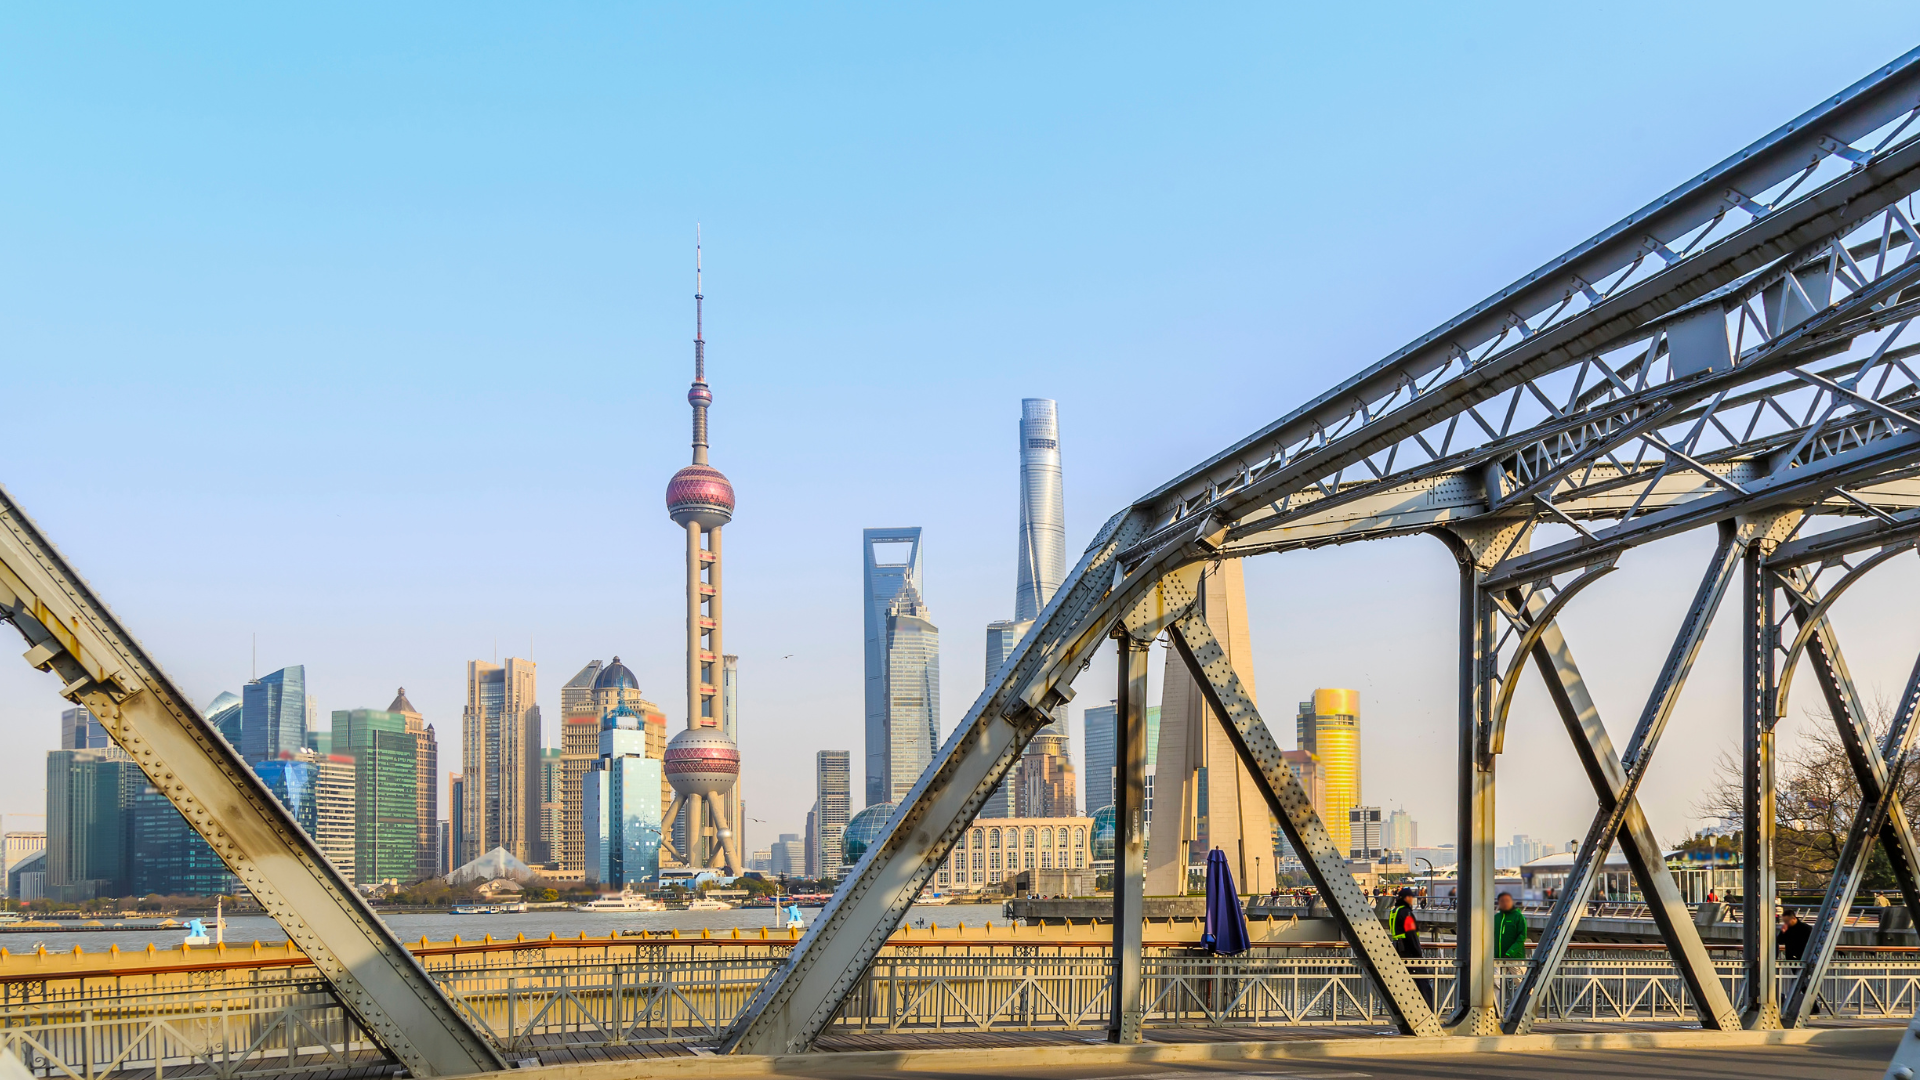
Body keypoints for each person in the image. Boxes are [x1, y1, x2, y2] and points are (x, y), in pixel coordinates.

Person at [1389, 886, 1431, 1006]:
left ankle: (1405, 1007)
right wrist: (1418, 951)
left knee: (1405, 983)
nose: (1412, 899)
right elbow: (1411, 934)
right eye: (1410, 897)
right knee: (1422, 982)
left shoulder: (1395, 911)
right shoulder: (1406, 913)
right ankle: (1429, 1008)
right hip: (1409, 951)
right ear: (1406, 898)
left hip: (1398, 950)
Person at [1495, 891, 1527, 959]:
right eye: (1502, 901)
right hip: (1497, 959)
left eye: (1507, 901)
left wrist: (1510, 952)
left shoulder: (1518, 917)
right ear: (1499, 903)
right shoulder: (1496, 918)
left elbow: (1522, 937)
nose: (1505, 903)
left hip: (1515, 958)